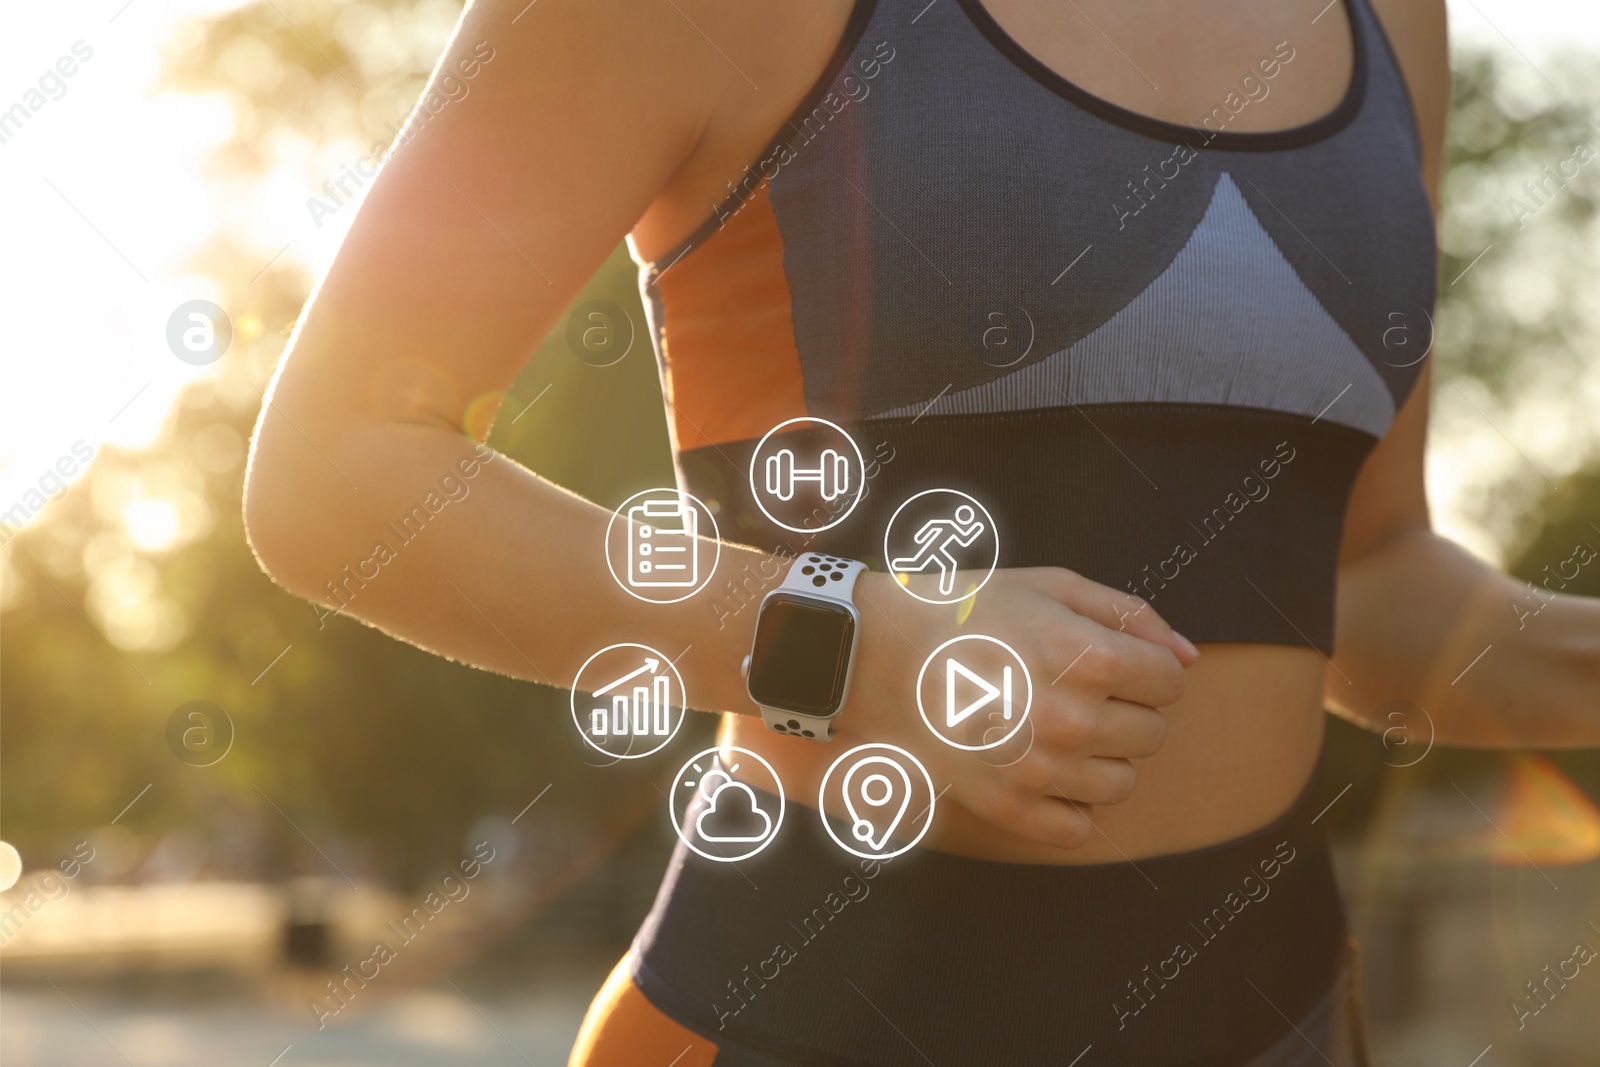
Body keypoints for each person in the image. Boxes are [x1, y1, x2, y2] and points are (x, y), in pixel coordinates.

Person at [242, 0, 1600, 1063]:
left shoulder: (1392, 17)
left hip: (1284, 1020)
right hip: (808, 1020)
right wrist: (859, 643)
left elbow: (1356, 582)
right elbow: (335, 473)